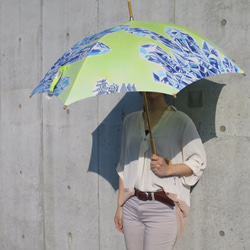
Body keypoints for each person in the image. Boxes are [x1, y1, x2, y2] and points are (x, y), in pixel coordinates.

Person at [114, 92, 206, 250]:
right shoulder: (130, 121)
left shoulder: (181, 121)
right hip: (131, 206)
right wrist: (120, 206)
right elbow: (123, 166)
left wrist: (169, 169)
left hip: (161, 206)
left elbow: (198, 162)